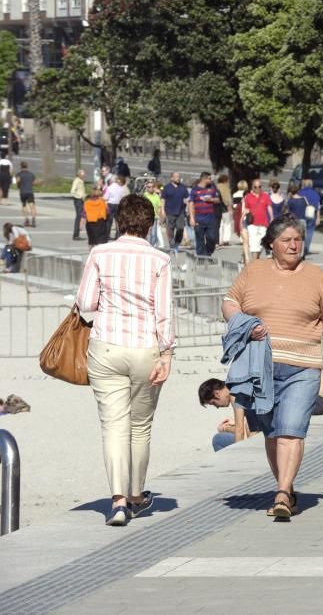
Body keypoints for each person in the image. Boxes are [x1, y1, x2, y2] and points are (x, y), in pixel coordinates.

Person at [222, 214, 323, 519]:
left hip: (303, 367)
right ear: (272, 244)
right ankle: (287, 489)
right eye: (287, 240)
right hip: (260, 368)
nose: (294, 245)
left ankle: (280, 493)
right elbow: (229, 303)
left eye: (298, 240)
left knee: (291, 430)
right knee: (272, 433)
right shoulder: (253, 271)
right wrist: (245, 324)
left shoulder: (315, 275)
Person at [76, 194, 175, 526]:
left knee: (113, 426)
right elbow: (164, 313)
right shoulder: (159, 259)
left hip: (106, 346)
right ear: (150, 224)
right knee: (140, 426)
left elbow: (87, 301)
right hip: (145, 347)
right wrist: (167, 352)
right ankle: (135, 494)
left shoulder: (100, 253)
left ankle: (117, 501)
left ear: (118, 221)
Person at [198, 379, 259, 451]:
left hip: (260, 441)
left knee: (217, 440)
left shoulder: (234, 394)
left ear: (217, 393)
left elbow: (241, 431)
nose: (217, 407)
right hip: (264, 436)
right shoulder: (239, 386)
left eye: (214, 403)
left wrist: (226, 428)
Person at [188, 172, 221, 257]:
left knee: (212, 238)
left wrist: (211, 199)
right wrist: (192, 218)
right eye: (210, 178)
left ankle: (208, 253)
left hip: (211, 218)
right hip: (199, 218)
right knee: (199, 239)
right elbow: (191, 204)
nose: (211, 180)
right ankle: (201, 257)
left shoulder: (212, 188)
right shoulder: (195, 190)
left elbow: (218, 200)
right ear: (204, 179)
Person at [243, 178, 273, 260]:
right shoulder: (248, 197)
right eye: (255, 187)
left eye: (259, 186)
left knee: (262, 243)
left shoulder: (265, 196)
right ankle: (254, 262)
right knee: (253, 244)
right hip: (252, 224)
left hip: (263, 224)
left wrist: (272, 218)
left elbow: (269, 207)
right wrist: (241, 221)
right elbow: (246, 209)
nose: (258, 188)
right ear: (252, 187)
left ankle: (256, 258)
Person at [161, 172, 188, 252]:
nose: (178, 178)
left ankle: (177, 242)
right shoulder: (167, 188)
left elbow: (187, 198)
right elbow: (163, 199)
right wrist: (162, 210)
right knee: (170, 229)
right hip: (169, 212)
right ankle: (172, 244)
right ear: (171, 178)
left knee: (180, 228)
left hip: (180, 212)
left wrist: (187, 202)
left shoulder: (183, 188)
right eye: (176, 177)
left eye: (178, 177)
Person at [299, 178, 322, 258]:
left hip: (301, 214)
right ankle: (306, 248)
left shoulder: (300, 193)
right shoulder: (315, 194)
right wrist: (318, 218)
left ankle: (301, 248)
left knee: (301, 232)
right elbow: (318, 206)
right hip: (312, 214)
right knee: (309, 232)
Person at [103, 174, 128, 239]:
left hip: (110, 204)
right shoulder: (121, 188)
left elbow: (105, 197)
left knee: (109, 221)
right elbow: (123, 197)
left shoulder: (110, 187)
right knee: (118, 221)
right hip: (118, 205)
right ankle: (118, 235)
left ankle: (107, 235)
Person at [142, 179, 165, 248]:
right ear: (146, 188)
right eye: (149, 187)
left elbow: (159, 207)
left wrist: (161, 217)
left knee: (154, 234)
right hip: (146, 218)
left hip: (154, 218)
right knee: (147, 233)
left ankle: (152, 246)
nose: (151, 188)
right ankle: (147, 245)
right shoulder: (144, 196)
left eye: (152, 187)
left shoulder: (156, 196)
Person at [16, 161, 36, 228]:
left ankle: (27, 220)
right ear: (27, 166)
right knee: (32, 206)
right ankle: (33, 220)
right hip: (30, 192)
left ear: (21, 167)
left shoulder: (19, 174)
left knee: (24, 205)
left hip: (23, 192)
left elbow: (18, 181)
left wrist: (18, 185)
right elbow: (34, 183)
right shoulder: (31, 174)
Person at [216, 174, 233, 246]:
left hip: (217, 208)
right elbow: (228, 199)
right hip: (225, 208)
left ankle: (219, 240)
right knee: (227, 224)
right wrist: (230, 208)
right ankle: (226, 239)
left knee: (220, 225)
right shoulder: (226, 188)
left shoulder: (216, 186)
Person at [71, 168, 87, 241]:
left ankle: (77, 234)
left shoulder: (81, 181)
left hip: (81, 200)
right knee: (78, 217)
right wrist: (80, 196)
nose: (84, 174)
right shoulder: (77, 181)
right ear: (79, 174)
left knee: (80, 217)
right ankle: (76, 234)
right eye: (82, 173)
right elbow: (72, 191)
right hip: (78, 200)